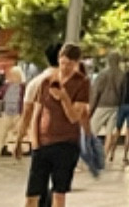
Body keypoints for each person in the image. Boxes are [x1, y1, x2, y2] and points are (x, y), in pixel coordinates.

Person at [24, 43, 93, 207]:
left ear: (76, 63)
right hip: (43, 144)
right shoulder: (46, 82)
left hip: (66, 144)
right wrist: (35, 142)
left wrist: (63, 98)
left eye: (69, 64)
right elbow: (37, 112)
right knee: (32, 193)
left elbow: (74, 117)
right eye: (63, 63)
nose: (65, 67)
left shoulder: (82, 83)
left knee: (59, 193)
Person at [0, 65, 28, 161]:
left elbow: (26, 100)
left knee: (18, 135)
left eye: (14, 75)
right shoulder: (6, 86)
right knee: (1, 134)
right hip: (7, 113)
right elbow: (0, 95)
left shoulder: (23, 87)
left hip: (18, 114)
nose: (12, 76)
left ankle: (17, 153)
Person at [88, 54, 124, 145]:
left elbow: (96, 92)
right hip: (115, 105)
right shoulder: (122, 74)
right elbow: (123, 92)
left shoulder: (103, 74)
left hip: (102, 105)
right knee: (109, 133)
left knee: (92, 131)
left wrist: (91, 109)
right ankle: (105, 156)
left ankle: (89, 154)